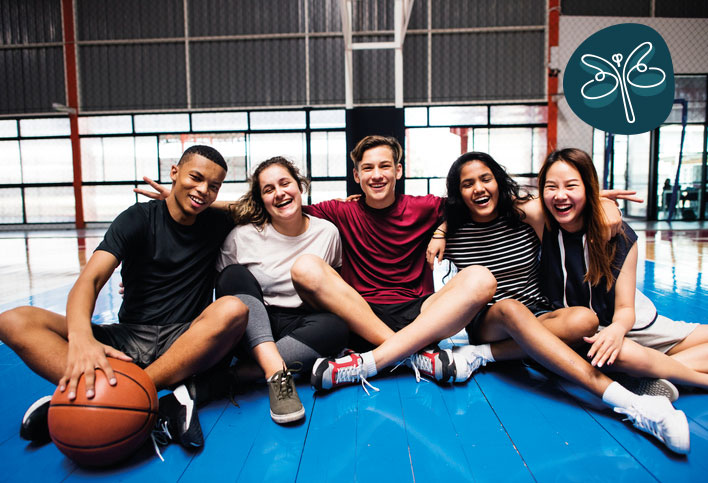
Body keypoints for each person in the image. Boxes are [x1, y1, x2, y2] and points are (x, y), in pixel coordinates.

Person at [426, 151, 690, 454]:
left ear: (498, 182)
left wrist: (604, 204)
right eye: (467, 184)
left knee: (585, 320)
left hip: (540, 315)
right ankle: (631, 403)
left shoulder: (524, 214)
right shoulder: (454, 230)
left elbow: (564, 200)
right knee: (512, 309)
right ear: (458, 193)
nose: (479, 188)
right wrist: (440, 230)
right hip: (491, 319)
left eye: (486, 179)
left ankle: (482, 356)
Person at [0, 145, 248, 449]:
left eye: (214, 187)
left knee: (233, 309)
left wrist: (200, 200)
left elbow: (256, 206)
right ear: (174, 172)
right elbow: (91, 279)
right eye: (195, 178)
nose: (203, 190)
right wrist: (82, 337)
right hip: (127, 339)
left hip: (185, 339)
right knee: (12, 321)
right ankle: (124, 395)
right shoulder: (138, 218)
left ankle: (100, 399)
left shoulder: (216, 222)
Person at [289, 135, 497, 392]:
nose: (377, 175)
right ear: (357, 176)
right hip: (361, 314)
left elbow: (466, 205)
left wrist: (442, 229)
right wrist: (224, 205)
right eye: (368, 168)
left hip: (419, 315)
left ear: (398, 170)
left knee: (481, 278)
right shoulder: (340, 210)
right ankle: (414, 357)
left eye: (384, 166)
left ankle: (369, 361)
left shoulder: (423, 206)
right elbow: (286, 210)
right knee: (305, 266)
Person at [539, 148, 708, 393]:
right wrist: (604, 200)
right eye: (551, 187)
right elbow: (516, 201)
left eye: (572, 186)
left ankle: (653, 374)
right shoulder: (540, 225)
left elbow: (626, 310)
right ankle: (657, 369)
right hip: (587, 332)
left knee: (627, 352)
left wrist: (617, 331)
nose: (560, 195)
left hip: (630, 324)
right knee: (623, 355)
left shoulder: (620, 235)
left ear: (588, 189)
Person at [213, 156, 349, 423]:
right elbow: (223, 287)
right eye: (268, 189)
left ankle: (242, 373)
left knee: (338, 326)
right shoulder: (242, 236)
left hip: (299, 325)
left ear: (300, 187)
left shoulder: (327, 232)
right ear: (261, 199)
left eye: (285, 183)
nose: (279, 193)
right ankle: (278, 375)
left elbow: (332, 288)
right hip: (254, 324)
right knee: (233, 274)